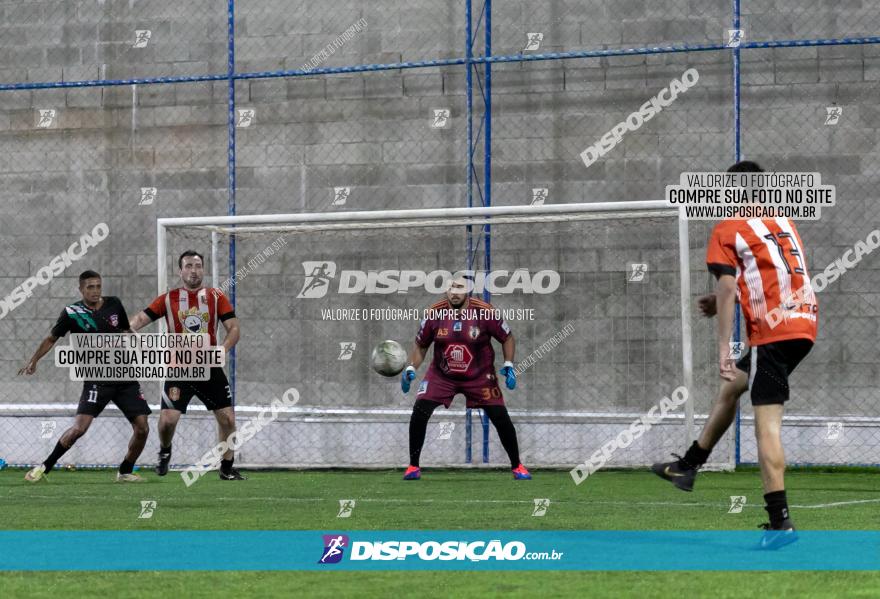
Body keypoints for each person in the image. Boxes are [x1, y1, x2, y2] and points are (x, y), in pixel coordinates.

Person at [652, 160, 817, 549]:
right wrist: (723, 295)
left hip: (773, 334)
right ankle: (687, 467)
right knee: (732, 390)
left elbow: (729, 288)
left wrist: (724, 347)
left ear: (731, 192)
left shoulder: (727, 228)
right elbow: (766, 275)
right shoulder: (782, 222)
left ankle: (780, 523)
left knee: (767, 425)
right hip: (804, 324)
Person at [20, 270, 150, 482]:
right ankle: (44, 467)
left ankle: (125, 471)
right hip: (97, 379)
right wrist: (34, 360)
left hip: (125, 376)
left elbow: (126, 330)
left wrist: (144, 346)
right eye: (90, 287)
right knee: (79, 429)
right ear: (81, 289)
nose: (95, 291)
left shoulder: (114, 304)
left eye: (98, 286)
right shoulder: (72, 313)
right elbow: (51, 338)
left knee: (142, 427)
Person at [128, 250, 244, 480]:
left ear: (203, 270)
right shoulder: (168, 299)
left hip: (209, 367)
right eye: (189, 266)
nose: (194, 270)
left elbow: (234, 329)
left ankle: (227, 467)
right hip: (178, 368)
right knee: (167, 421)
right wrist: (129, 331)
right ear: (180, 271)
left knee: (228, 419)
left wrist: (222, 349)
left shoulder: (216, 296)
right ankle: (165, 450)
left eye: (198, 266)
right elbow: (139, 321)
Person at [401, 275, 531, 481]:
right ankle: (413, 467)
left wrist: (508, 364)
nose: (454, 292)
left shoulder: (485, 312)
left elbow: (507, 337)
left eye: (460, 288)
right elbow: (421, 345)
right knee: (419, 411)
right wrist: (411, 367)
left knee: (500, 417)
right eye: (451, 288)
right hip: (442, 375)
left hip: (479, 376)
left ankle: (517, 466)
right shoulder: (434, 313)